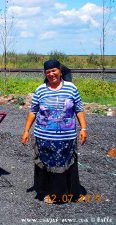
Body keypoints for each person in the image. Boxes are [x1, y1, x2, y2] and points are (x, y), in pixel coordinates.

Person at [21, 59, 88, 204]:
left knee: (69, 164)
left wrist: (83, 128)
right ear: (45, 74)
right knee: (47, 165)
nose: (51, 74)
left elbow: (79, 109)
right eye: (48, 72)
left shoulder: (71, 88)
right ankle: (49, 194)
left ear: (60, 71)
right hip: (44, 137)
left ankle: (73, 194)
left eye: (54, 71)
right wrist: (26, 130)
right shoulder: (40, 90)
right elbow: (33, 112)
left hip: (67, 137)